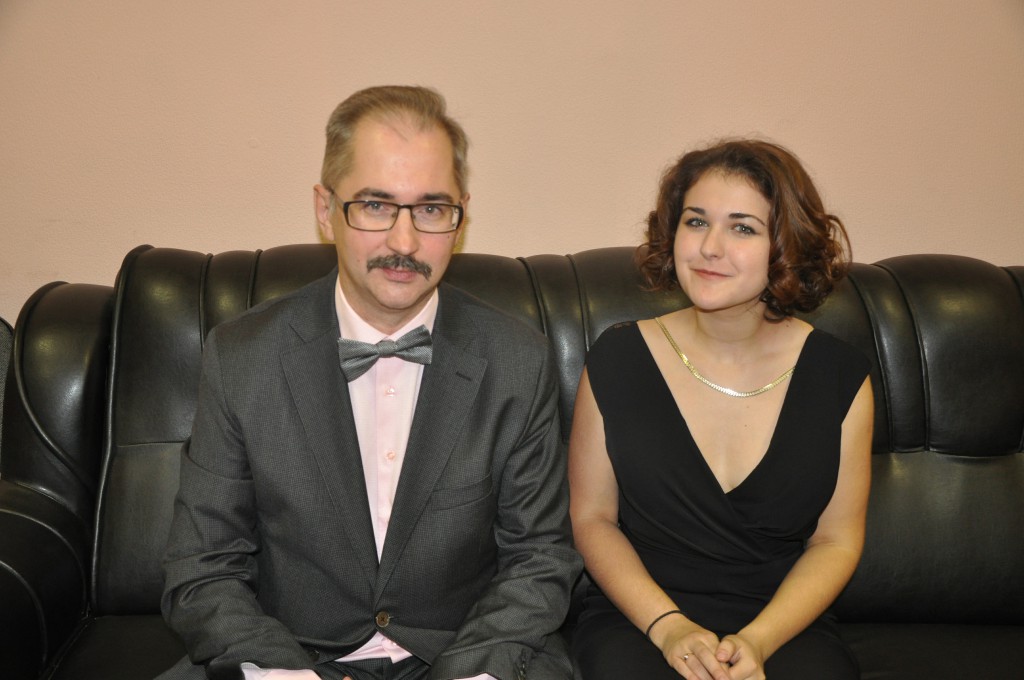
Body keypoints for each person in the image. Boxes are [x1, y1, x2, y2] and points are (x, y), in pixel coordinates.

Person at [158, 85, 581, 680]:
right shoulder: (242, 357)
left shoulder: (518, 359)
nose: (404, 243)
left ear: (460, 215)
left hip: (467, 656)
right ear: (325, 209)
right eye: (376, 205)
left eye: (431, 209)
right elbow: (204, 567)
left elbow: (539, 558)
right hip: (291, 658)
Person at [568, 140, 873, 680]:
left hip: (782, 625)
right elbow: (592, 519)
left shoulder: (839, 375)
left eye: (743, 228)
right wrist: (668, 626)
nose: (710, 247)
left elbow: (835, 541)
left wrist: (758, 640)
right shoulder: (618, 357)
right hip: (640, 619)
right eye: (696, 222)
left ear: (786, 245)